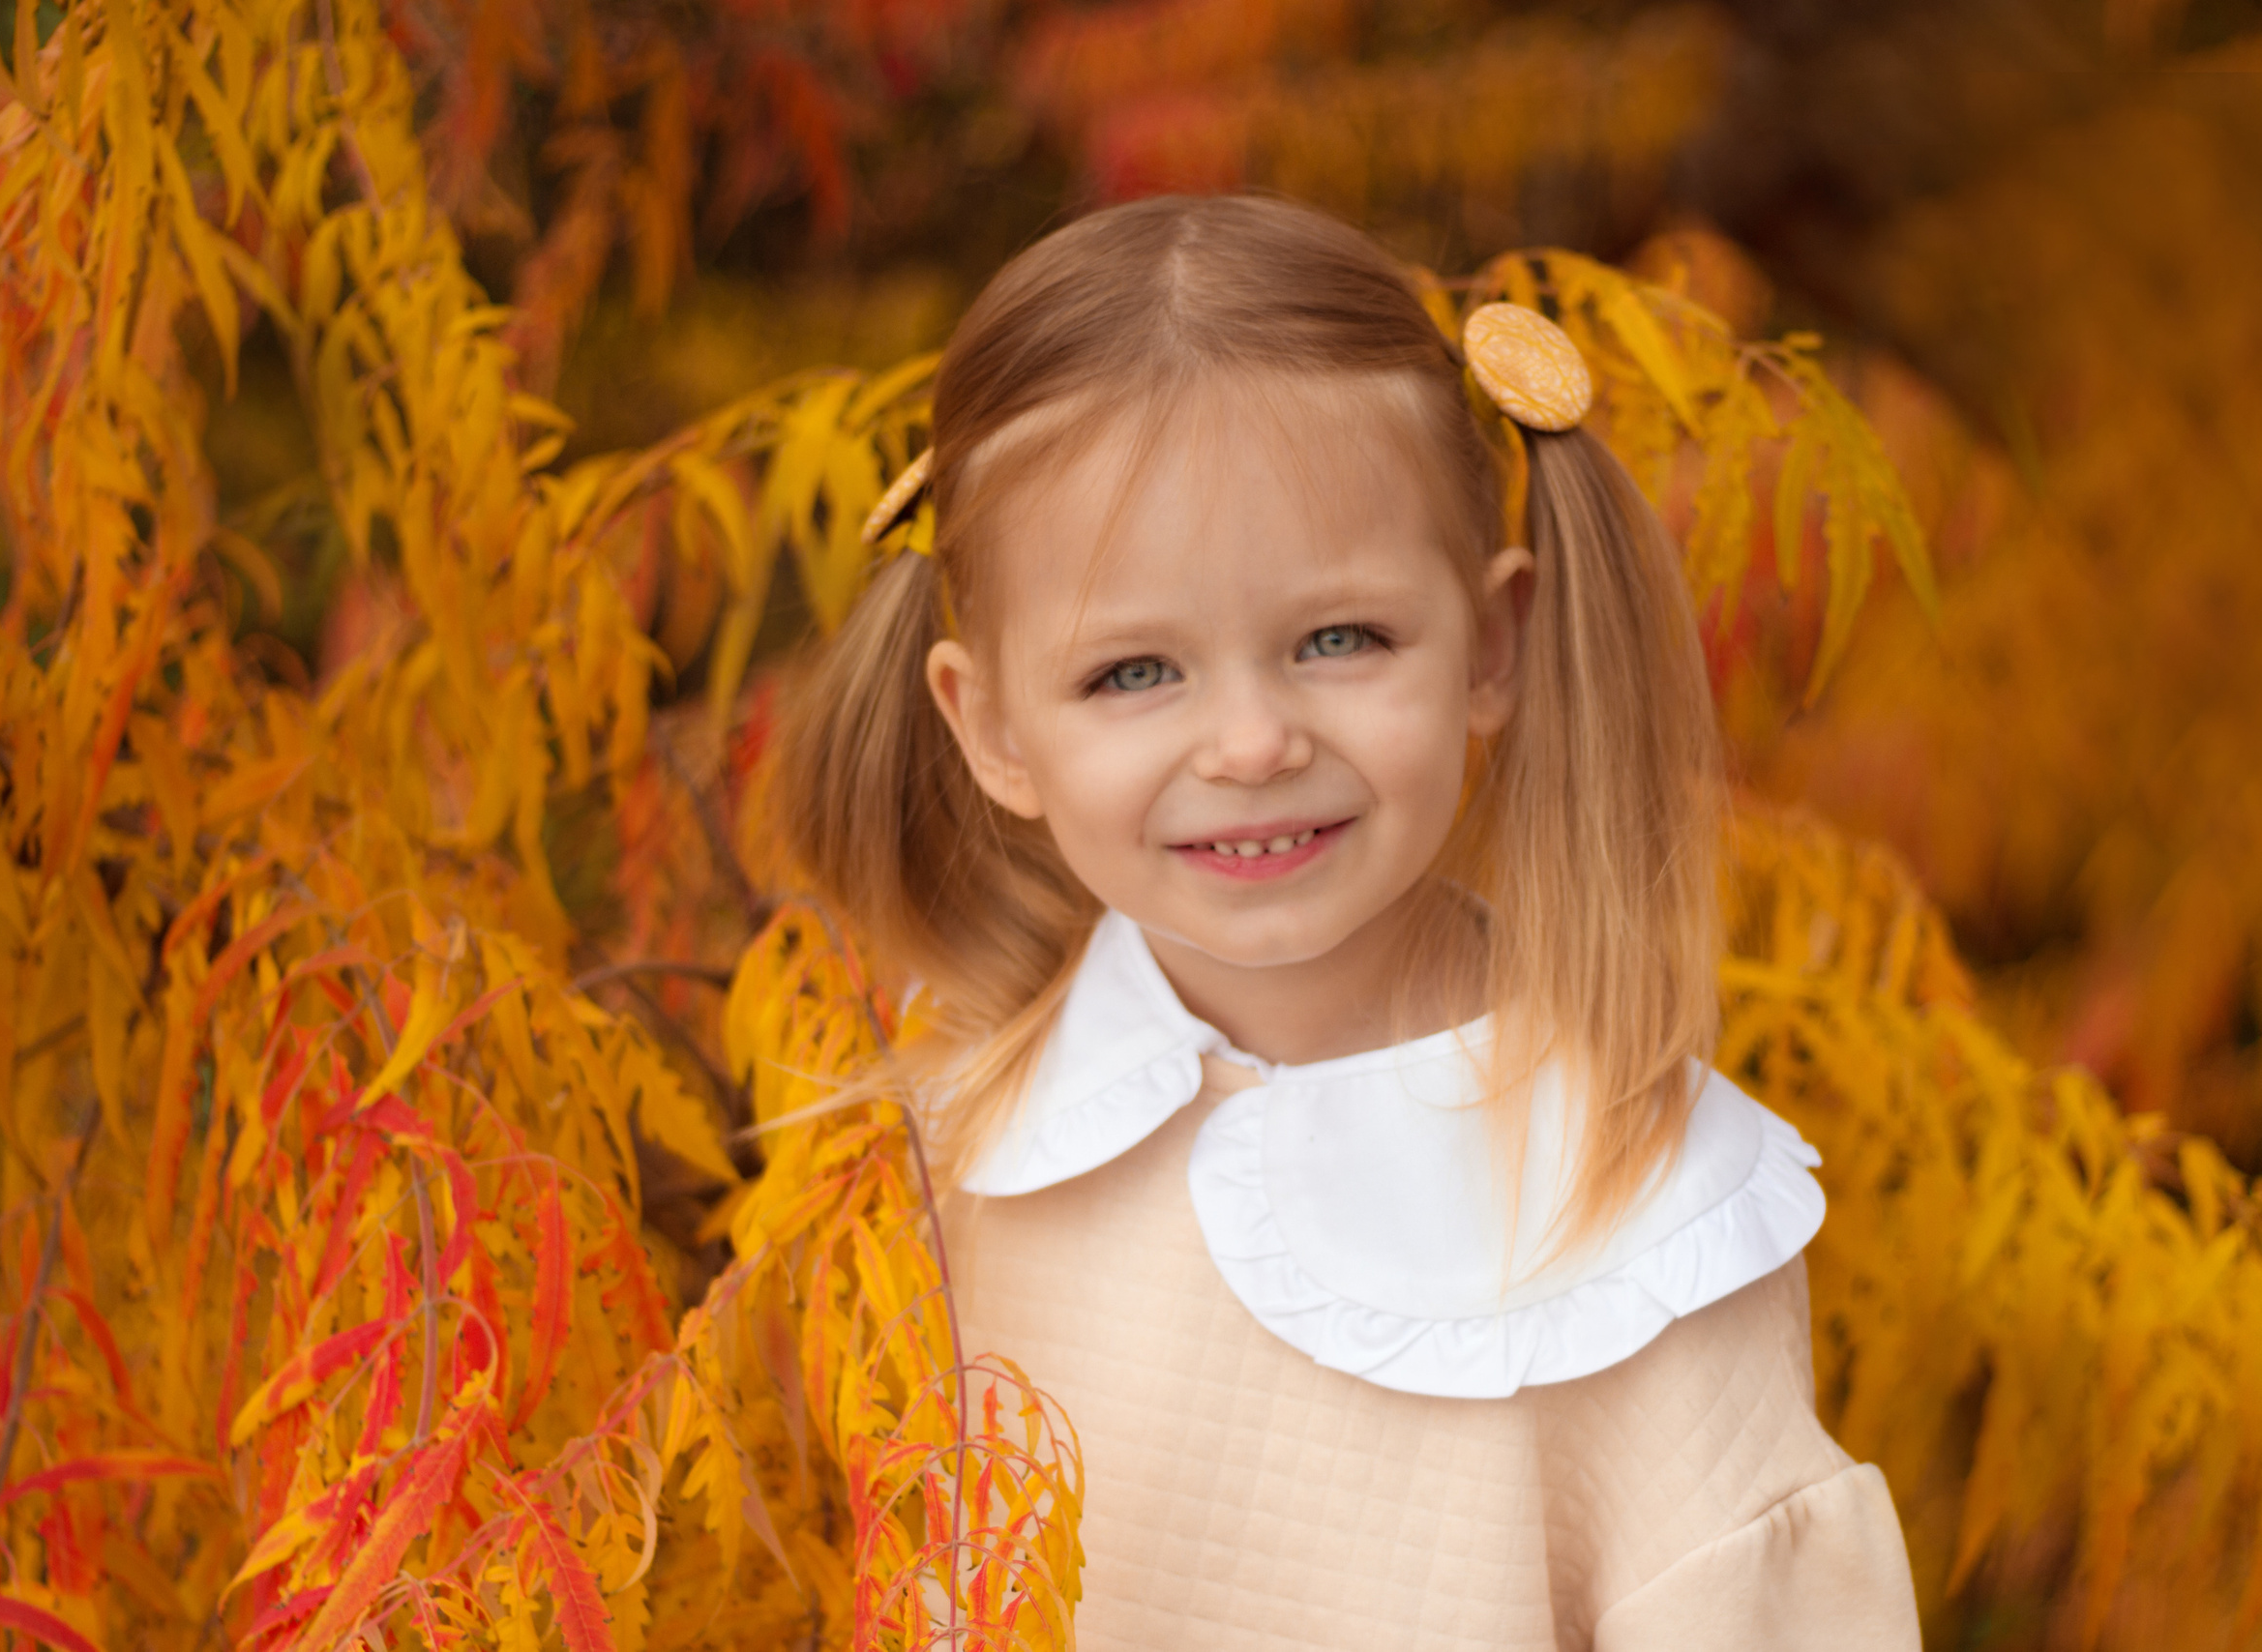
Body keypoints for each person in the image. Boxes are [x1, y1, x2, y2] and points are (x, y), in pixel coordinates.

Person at [776, 192, 1922, 1650]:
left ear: (1491, 646)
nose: (1251, 742)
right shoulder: (931, 1146)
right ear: (990, 725)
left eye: (1341, 641)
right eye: (1133, 673)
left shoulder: (1647, 1212)